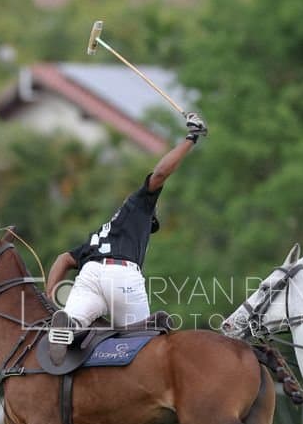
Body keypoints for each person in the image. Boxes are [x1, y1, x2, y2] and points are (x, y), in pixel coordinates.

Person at [44, 111, 207, 364]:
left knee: (74, 327)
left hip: (89, 275)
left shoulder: (104, 232)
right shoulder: (139, 205)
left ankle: (70, 323)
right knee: (148, 346)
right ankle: (146, 333)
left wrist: (50, 295)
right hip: (121, 275)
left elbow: (63, 258)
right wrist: (191, 138)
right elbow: (160, 173)